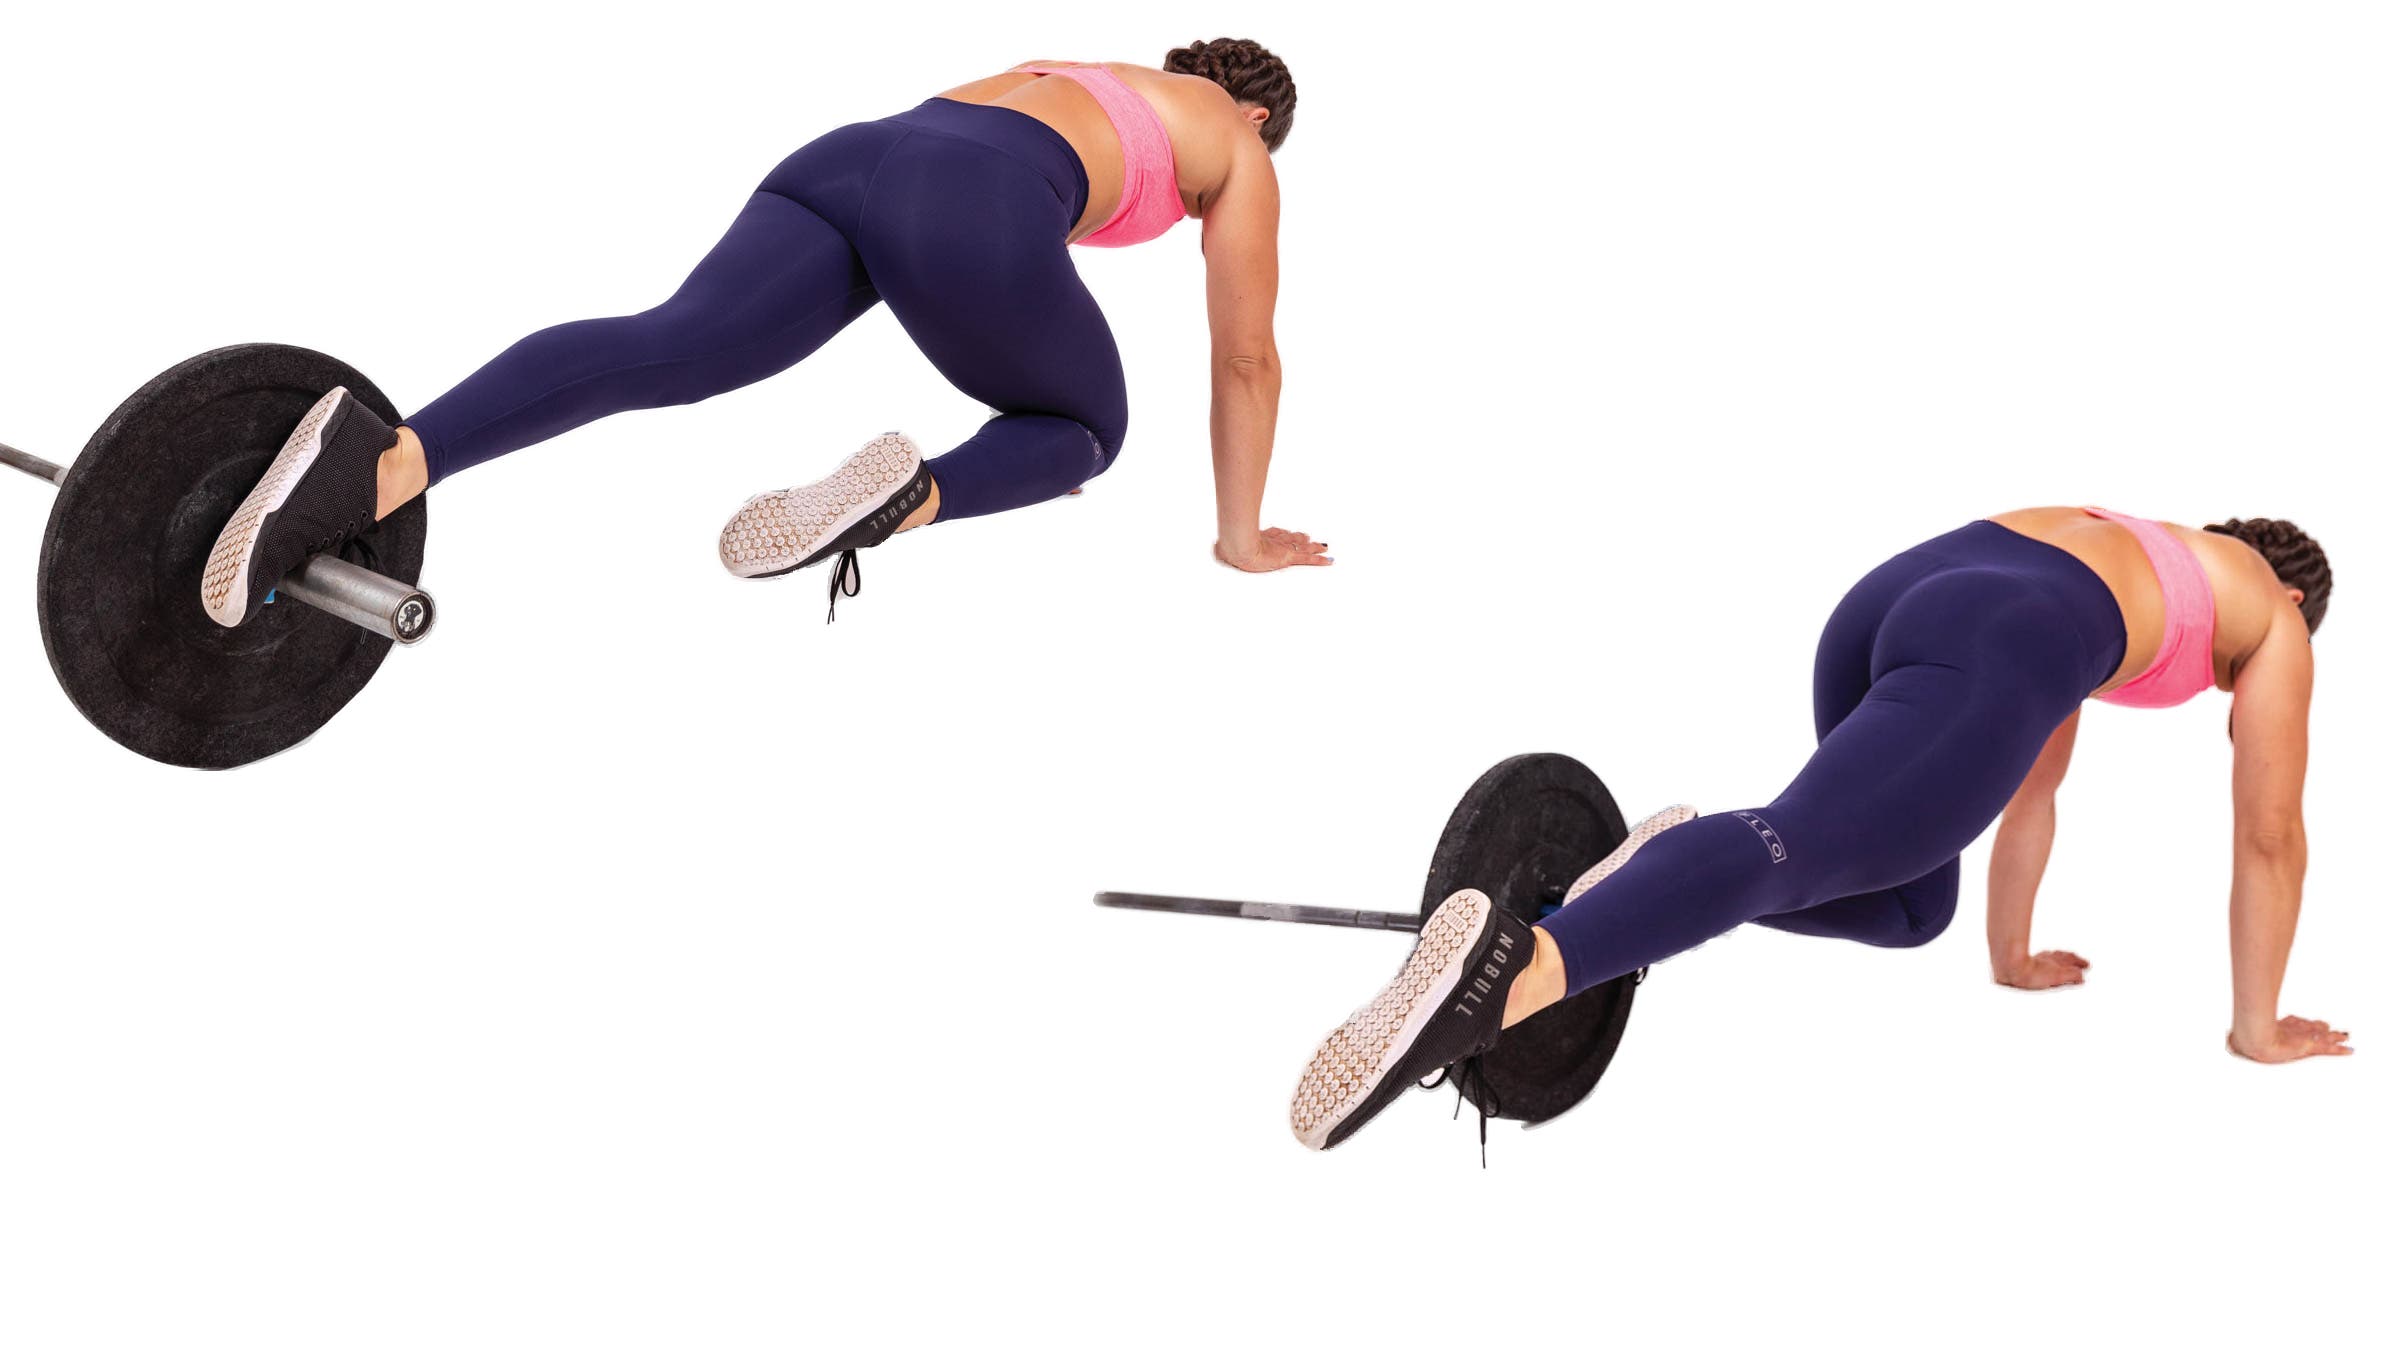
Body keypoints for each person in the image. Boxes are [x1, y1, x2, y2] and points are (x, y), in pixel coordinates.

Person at [1292, 509, 2344, 1152]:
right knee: (1795, 850)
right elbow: (2270, 835)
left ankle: (1640, 885)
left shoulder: (2132, 553)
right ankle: (1523, 969)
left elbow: (2029, 784)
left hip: (1897, 604)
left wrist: (2010, 954)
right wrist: (2258, 1027)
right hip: (1998, 642)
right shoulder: (2277, 617)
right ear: (2292, 588)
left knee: (1910, 903)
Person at [201, 38, 1327, 629]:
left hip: (852, 159)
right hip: (971, 198)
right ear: (1259, 110)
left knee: (671, 345)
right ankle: (904, 495)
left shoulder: (1077, 72)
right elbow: (1245, 357)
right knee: (1085, 425)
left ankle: (386, 461)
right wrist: (1239, 535)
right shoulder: (1237, 143)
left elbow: (963, 229)